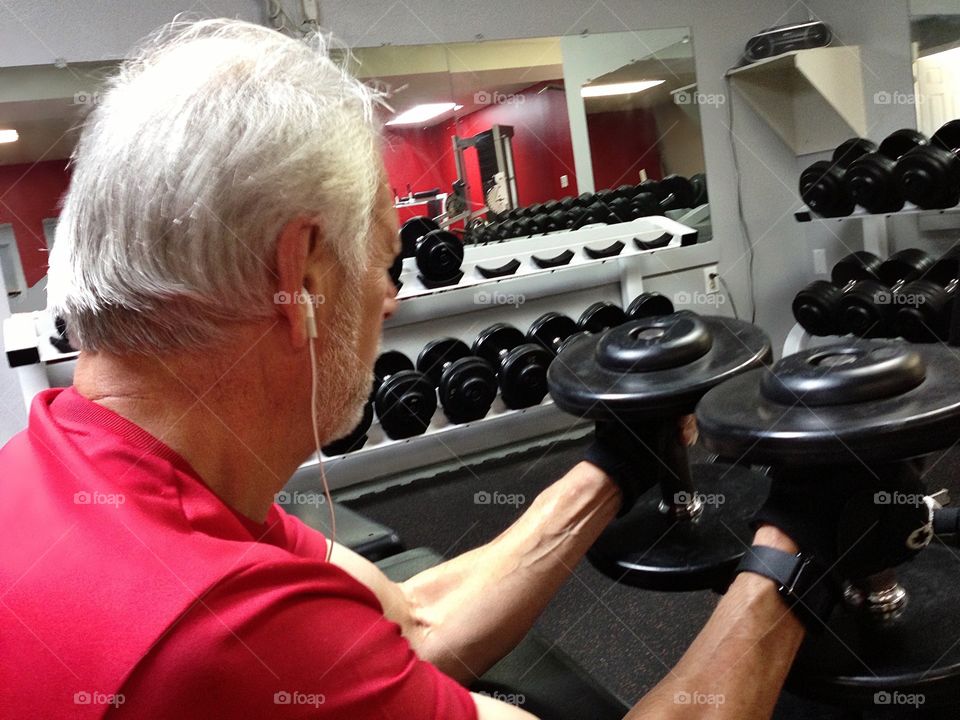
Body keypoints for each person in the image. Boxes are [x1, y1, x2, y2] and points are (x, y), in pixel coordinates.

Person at [0, 19, 930, 720]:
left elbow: (415, 623)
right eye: (383, 261)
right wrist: (790, 557)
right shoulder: (222, 636)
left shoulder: (78, 469)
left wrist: (616, 463)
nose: (390, 301)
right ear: (301, 276)